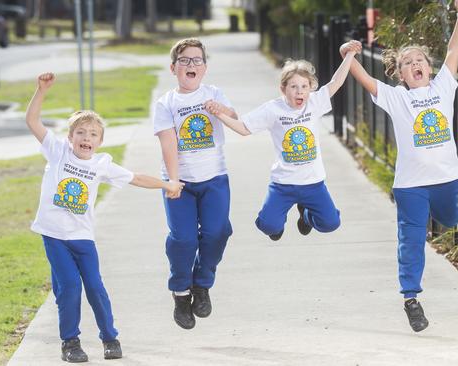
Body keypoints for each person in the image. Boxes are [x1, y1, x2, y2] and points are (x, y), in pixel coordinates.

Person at [26, 72, 184, 362]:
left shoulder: (101, 165)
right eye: (81, 133)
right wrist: (42, 91)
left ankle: (110, 337)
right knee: (69, 288)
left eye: (93, 134)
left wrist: (167, 184)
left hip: (83, 238)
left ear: (100, 141)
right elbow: (33, 121)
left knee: (95, 287)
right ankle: (70, 343)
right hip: (55, 236)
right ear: (70, 137)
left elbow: (136, 177)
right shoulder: (57, 152)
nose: (86, 138)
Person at [339, 0, 458, 332]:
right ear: (401, 74)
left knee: (450, 218)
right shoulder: (396, 97)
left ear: (428, 66)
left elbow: (454, 51)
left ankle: (445, 219)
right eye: (407, 62)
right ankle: (411, 298)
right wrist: (348, 54)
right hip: (410, 185)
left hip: (446, 179)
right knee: (410, 241)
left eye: (419, 60)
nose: (415, 64)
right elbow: (366, 80)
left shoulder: (443, 87)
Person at [204, 40, 361, 243]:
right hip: (283, 184)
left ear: (310, 88)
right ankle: (276, 225)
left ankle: (306, 216)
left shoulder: (314, 103)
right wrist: (219, 115)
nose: (300, 91)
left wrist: (350, 55)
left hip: (313, 183)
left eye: (305, 86)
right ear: (283, 89)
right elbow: (243, 128)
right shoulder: (273, 109)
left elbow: (336, 82)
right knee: (269, 225)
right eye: (294, 87)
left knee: (330, 223)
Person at [152, 38, 238, 330]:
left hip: (214, 177)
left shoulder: (214, 93)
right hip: (180, 182)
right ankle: (180, 291)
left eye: (197, 60)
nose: (191, 65)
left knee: (218, 232)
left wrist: (221, 111)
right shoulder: (166, 103)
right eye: (185, 60)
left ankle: (202, 284)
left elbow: (235, 118)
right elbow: (168, 143)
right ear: (174, 68)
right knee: (184, 239)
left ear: (205, 67)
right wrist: (174, 181)